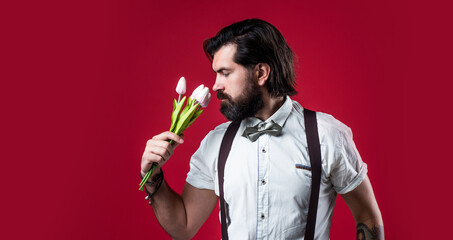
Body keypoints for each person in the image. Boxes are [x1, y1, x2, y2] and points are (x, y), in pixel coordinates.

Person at [140, 18, 384, 240]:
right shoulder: (216, 143)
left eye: (225, 73)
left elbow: (368, 216)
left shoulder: (327, 136)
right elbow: (183, 226)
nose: (216, 85)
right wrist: (153, 178)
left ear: (261, 73)